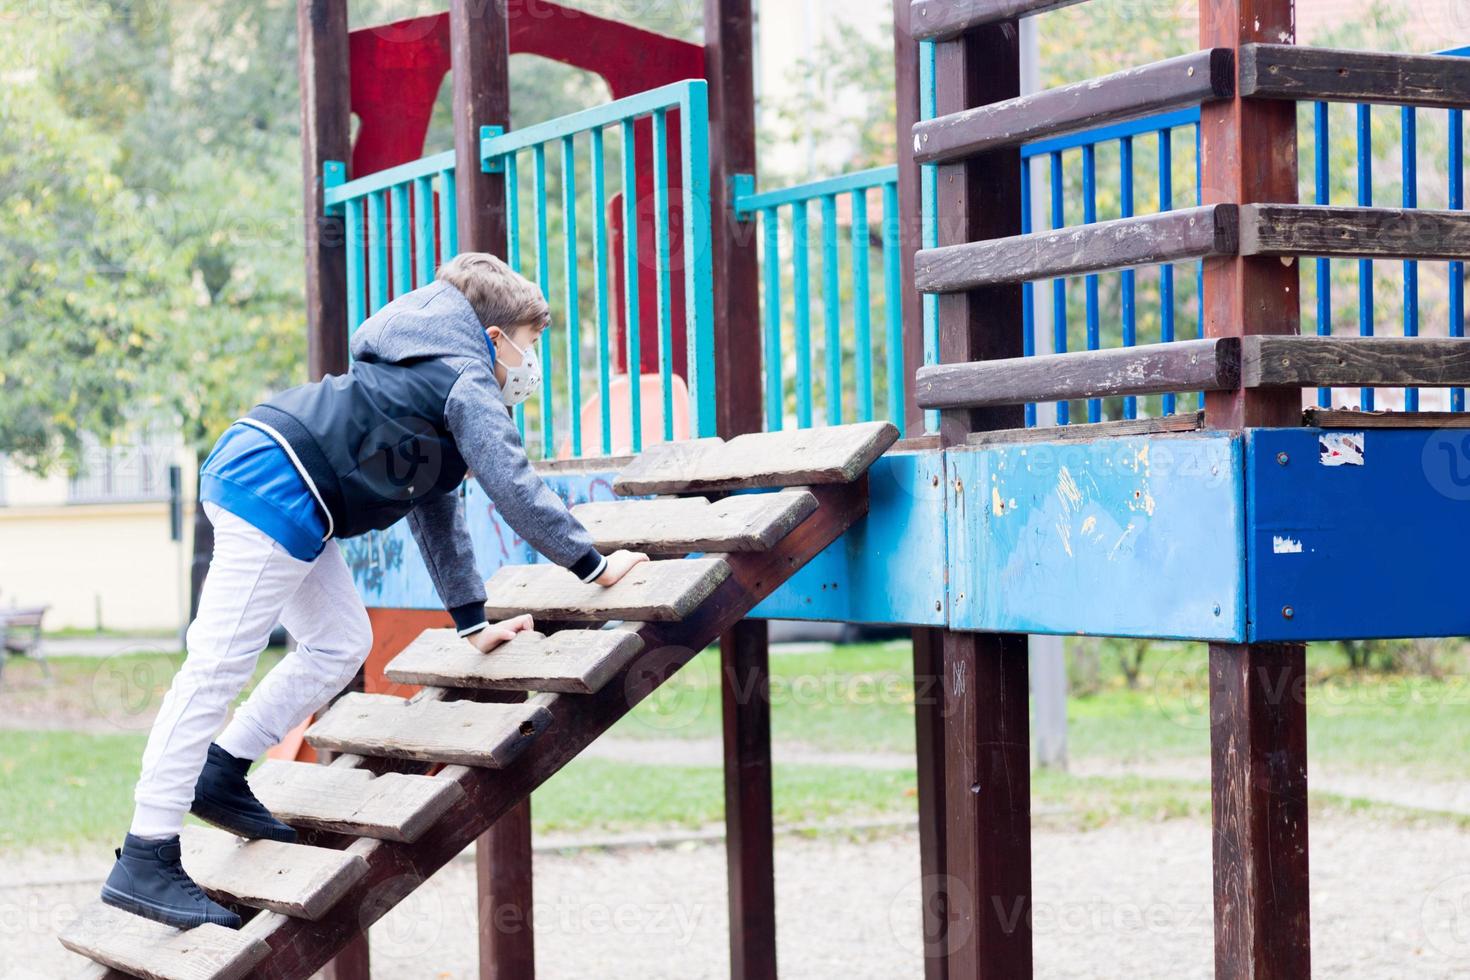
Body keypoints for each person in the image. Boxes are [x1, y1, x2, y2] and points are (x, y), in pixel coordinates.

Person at [101, 253, 648, 929]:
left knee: (340, 642)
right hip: (274, 483)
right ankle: (147, 854)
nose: (531, 363)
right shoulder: (464, 380)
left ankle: (223, 768)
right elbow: (514, 485)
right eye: (530, 344)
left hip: (288, 485)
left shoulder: (428, 375)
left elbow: (436, 509)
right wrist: (593, 565)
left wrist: (473, 622)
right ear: (493, 335)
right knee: (214, 666)